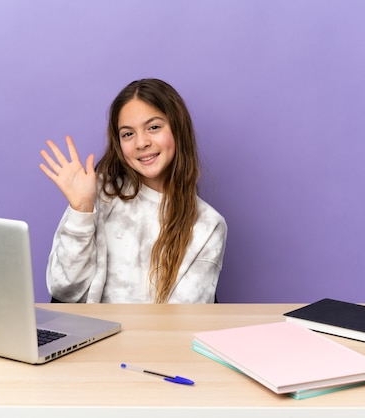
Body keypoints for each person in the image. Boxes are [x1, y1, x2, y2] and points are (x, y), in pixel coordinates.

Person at [39, 78, 227, 303]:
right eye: (128, 134)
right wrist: (81, 210)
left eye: (154, 127)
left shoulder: (208, 224)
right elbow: (63, 291)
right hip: (92, 336)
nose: (141, 143)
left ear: (178, 130)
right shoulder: (96, 194)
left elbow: (184, 320)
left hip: (156, 339)